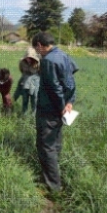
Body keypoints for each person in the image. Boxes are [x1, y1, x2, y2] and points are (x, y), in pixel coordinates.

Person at [32, 32, 79, 192]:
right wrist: (70, 102)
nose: (37, 52)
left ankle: (53, 185)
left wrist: (61, 108)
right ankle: (54, 172)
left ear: (39, 45)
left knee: (45, 145)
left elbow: (54, 88)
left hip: (49, 109)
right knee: (55, 140)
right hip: (62, 107)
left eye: (36, 49)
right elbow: (71, 79)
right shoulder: (63, 55)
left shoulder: (48, 60)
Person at [13, 47, 40, 115]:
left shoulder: (38, 63)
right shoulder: (22, 63)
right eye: (27, 57)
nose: (29, 59)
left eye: (30, 57)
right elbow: (22, 70)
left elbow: (41, 72)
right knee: (25, 100)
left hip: (35, 82)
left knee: (34, 100)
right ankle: (24, 114)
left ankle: (34, 115)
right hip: (25, 82)